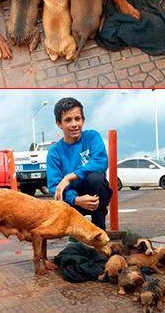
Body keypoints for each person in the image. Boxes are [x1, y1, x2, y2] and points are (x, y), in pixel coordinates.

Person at [46, 97, 112, 230]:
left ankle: (99, 231)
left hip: (95, 198)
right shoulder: (54, 152)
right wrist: (76, 200)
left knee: (96, 178)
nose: (74, 124)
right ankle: (74, 232)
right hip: (73, 201)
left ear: (83, 120)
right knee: (60, 193)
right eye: (68, 120)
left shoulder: (92, 137)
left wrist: (70, 176)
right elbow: (54, 186)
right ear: (59, 124)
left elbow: (100, 162)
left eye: (77, 118)